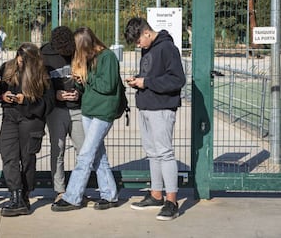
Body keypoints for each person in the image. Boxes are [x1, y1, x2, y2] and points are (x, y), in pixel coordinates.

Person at [51, 26, 121, 212]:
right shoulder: (89, 59)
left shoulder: (107, 57)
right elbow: (89, 87)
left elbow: (108, 85)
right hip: (89, 111)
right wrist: (78, 87)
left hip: (102, 113)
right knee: (98, 155)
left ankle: (72, 196)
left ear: (84, 44)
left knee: (85, 155)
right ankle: (110, 194)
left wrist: (86, 77)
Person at [124, 17, 186, 221]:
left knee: (165, 153)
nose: (137, 45)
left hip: (162, 108)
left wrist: (146, 82)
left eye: (138, 40)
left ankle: (172, 201)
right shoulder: (148, 48)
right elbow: (150, 77)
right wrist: (138, 81)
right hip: (147, 106)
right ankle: (156, 194)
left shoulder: (167, 48)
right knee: (152, 153)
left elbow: (178, 79)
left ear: (147, 33)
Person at [0, 42, 55, 217]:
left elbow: (48, 104)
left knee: (27, 158)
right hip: (10, 117)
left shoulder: (42, 74)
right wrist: (3, 96)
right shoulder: (7, 67)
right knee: (8, 155)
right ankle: (15, 195)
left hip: (31, 119)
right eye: (18, 61)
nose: (19, 64)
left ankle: (24, 197)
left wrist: (24, 100)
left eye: (23, 63)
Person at [40, 26, 85, 203]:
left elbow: (87, 79)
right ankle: (60, 190)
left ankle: (77, 189)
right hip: (56, 110)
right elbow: (40, 85)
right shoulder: (44, 55)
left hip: (77, 108)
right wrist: (55, 94)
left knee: (82, 152)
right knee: (57, 150)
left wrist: (79, 93)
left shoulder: (78, 52)